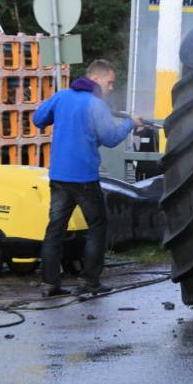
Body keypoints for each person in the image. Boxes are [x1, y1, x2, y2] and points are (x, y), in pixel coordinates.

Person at [33, 59, 141, 297]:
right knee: (97, 226)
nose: (111, 88)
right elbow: (111, 138)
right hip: (83, 178)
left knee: (55, 229)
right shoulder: (96, 104)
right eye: (109, 82)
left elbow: (38, 119)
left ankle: (50, 284)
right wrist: (130, 123)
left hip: (59, 176)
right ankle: (89, 280)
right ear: (96, 79)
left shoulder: (61, 97)